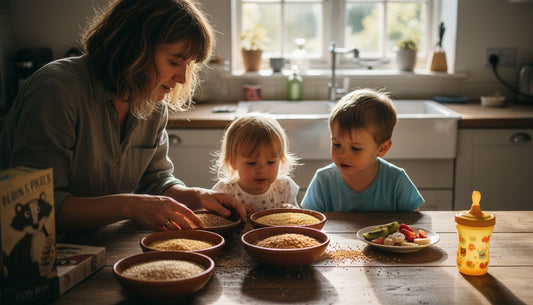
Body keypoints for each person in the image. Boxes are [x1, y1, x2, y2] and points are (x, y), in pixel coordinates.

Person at [0, 0, 247, 232]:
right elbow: (35, 206)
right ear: (134, 49)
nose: (182, 78)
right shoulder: (57, 90)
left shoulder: (151, 100)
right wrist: (129, 206)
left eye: (188, 65)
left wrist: (196, 196)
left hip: (101, 246)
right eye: (174, 62)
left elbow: (156, 181)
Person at [301, 88, 424, 212]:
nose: (343, 154)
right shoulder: (323, 180)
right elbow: (309, 221)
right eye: (337, 144)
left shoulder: (396, 180)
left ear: (382, 148)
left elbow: (414, 222)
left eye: (355, 148)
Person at [212, 113, 300, 214]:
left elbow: (300, 219)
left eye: (271, 162)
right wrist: (234, 213)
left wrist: (292, 211)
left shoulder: (284, 187)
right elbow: (213, 222)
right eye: (252, 163)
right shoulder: (224, 191)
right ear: (233, 162)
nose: (262, 170)